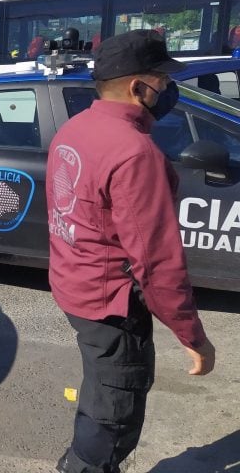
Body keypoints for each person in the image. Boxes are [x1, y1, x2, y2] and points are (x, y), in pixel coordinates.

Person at [46, 29, 216, 473]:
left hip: (75, 286)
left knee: (102, 385)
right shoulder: (135, 152)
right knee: (113, 415)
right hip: (111, 303)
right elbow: (158, 265)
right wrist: (193, 337)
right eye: (162, 80)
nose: (169, 89)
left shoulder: (76, 127)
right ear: (138, 88)